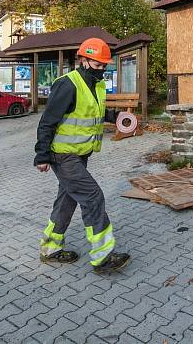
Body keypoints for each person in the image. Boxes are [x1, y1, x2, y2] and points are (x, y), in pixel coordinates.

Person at [34, 37, 130, 274]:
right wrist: (42, 156)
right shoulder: (67, 84)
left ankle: (51, 248)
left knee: (67, 200)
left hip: (80, 154)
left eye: (105, 65)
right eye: (98, 65)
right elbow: (47, 122)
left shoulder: (95, 85)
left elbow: (92, 112)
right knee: (93, 197)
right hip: (63, 156)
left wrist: (114, 116)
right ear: (84, 61)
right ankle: (103, 256)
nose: (102, 70)